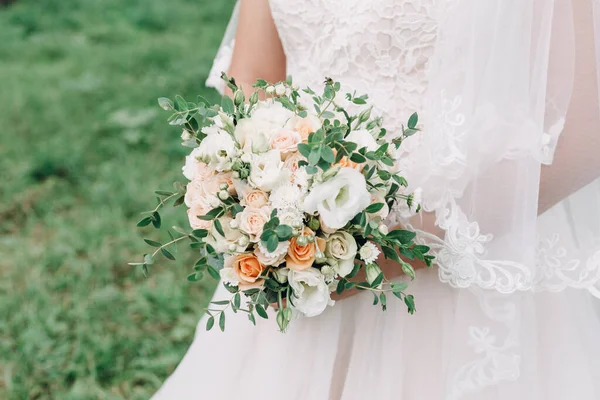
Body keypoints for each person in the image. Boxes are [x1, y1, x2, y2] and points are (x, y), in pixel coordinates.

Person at [153, 1, 600, 399]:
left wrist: (397, 247)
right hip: (299, 253)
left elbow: (582, 134)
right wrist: (264, 194)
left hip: (465, 249)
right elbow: (253, 75)